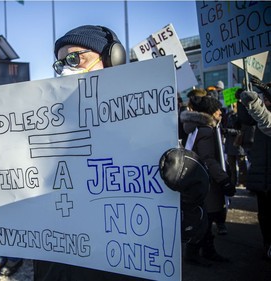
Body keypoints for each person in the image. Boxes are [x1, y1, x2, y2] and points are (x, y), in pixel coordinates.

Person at [34, 24, 153, 281]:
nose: (66, 68)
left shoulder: (147, 128)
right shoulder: (41, 127)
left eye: (76, 58)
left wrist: (188, 187)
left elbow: (180, 225)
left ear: (112, 61)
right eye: (60, 63)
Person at [180, 92, 236, 266]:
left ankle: (205, 250)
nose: (220, 112)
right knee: (205, 219)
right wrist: (223, 179)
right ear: (211, 112)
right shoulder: (206, 131)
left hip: (201, 181)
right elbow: (208, 159)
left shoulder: (199, 128)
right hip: (207, 184)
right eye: (217, 109)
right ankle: (195, 253)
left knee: (205, 218)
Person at [237, 86, 271, 261]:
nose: (264, 100)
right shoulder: (257, 117)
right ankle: (267, 243)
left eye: (266, 97)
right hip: (260, 172)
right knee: (264, 213)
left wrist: (256, 105)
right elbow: (245, 120)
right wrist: (243, 101)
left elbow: (267, 122)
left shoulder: (264, 117)